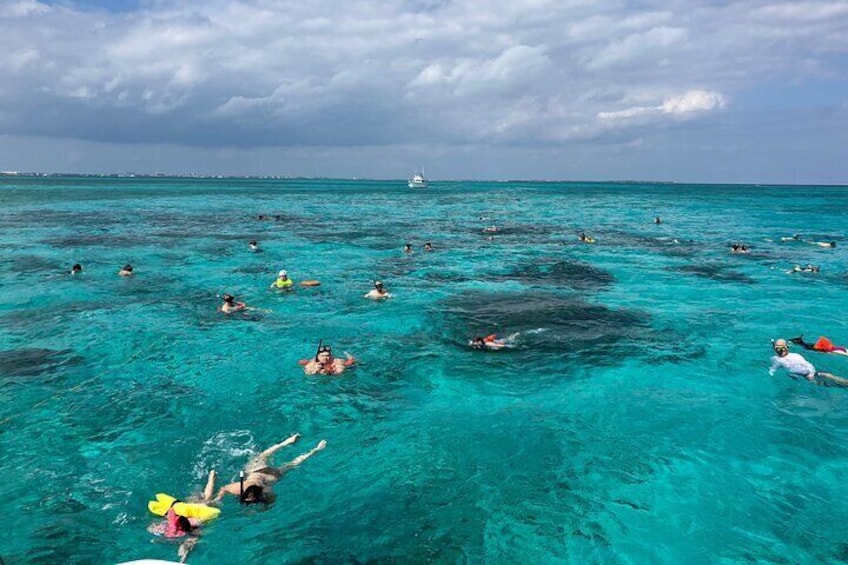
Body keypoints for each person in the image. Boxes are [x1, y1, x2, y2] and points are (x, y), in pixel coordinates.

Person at [212, 434, 326, 504]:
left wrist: (218, 498)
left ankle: (315, 449)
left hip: (268, 476)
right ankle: (293, 444)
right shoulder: (246, 488)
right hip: (262, 473)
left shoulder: (252, 489)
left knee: (291, 464)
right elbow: (224, 488)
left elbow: (223, 488)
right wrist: (218, 498)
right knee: (265, 456)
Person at [147, 470, 217, 563]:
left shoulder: (188, 526)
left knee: (206, 498)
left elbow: (192, 539)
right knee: (202, 498)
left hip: (197, 513)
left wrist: (183, 557)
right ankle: (208, 479)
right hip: (189, 512)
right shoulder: (177, 524)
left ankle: (211, 478)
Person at [769, 338, 848, 386]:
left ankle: (844, 383)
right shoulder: (775, 358)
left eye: (782, 348)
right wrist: (771, 373)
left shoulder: (795, 355)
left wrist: (811, 373)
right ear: (774, 348)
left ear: (787, 347)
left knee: (826, 376)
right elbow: (774, 367)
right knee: (821, 379)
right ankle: (839, 384)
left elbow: (806, 364)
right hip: (799, 374)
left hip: (807, 373)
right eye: (777, 348)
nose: (780, 351)